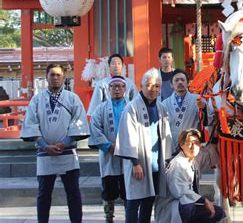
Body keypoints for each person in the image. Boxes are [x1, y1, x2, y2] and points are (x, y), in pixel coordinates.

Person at [20, 63, 90, 223]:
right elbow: (30, 123)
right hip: (45, 153)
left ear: (64, 78)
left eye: (58, 75)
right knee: (44, 193)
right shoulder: (37, 100)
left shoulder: (72, 98)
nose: (55, 78)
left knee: (73, 192)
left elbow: (79, 123)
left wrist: (64, 143)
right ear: (46, 77)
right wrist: (44, 145)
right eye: (52, 75)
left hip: (68, 152)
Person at [115, 68, 173, 223]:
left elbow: (166, 136)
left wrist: (166, 160)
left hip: (155, 163)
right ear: (141, 86)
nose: (153, 89)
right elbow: (128, 136)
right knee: (133, 201)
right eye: (149, 85)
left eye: (156, 86)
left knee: (149, 200)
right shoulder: (132, 108)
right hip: (139, 163)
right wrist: (135, 163)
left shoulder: (161, 107)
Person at [155, 128, 225, 223]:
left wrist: (216, 136)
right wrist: (204, 201)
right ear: (181, 145)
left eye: (196, 143)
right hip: (171, 207)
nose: (193, 146)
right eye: (189, 143)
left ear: (200, 145)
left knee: (218, 212)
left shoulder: (194, 158)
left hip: (185, 204)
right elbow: (180, 192)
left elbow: (209, 154)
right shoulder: (178, 164)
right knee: (189, 207)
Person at [89, 76, 129, 222]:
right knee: (108, 190)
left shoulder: (132, 106)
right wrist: (108, 146)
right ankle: (108, 217)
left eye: (120, 86)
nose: (117, 89)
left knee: (128, 190)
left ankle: (129, 217)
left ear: (125, 88)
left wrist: (127, 147)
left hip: (128, 155)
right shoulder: (101, 108)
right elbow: (94, 128)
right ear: (108, 89)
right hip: (108, 155)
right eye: (113, 86)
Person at [162, 69, 211, 151]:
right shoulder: (164, 104)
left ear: (188, 83)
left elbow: (207, 122)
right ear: (171, 84)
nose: (180, 82)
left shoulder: (198, 100)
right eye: (176, 80)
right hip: (171, 147)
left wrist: (204, 108)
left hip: (192, 147)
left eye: (183, 80)